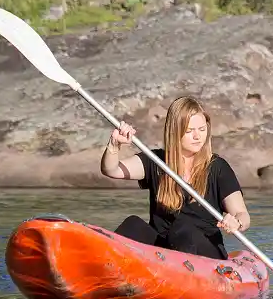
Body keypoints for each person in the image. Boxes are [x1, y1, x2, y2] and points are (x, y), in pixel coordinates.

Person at [100, 95, 252, 260]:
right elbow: (111, 170)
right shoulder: (157, 162)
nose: (197, 136)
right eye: (189, 131)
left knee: (182, 228)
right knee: (133, 224)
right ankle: (101, 264)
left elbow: (242, 214)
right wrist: (114, 146)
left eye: (202, 129)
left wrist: (236, 222)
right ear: (175, 132)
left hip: (205, 253)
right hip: (163, 252)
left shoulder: (218, 167)